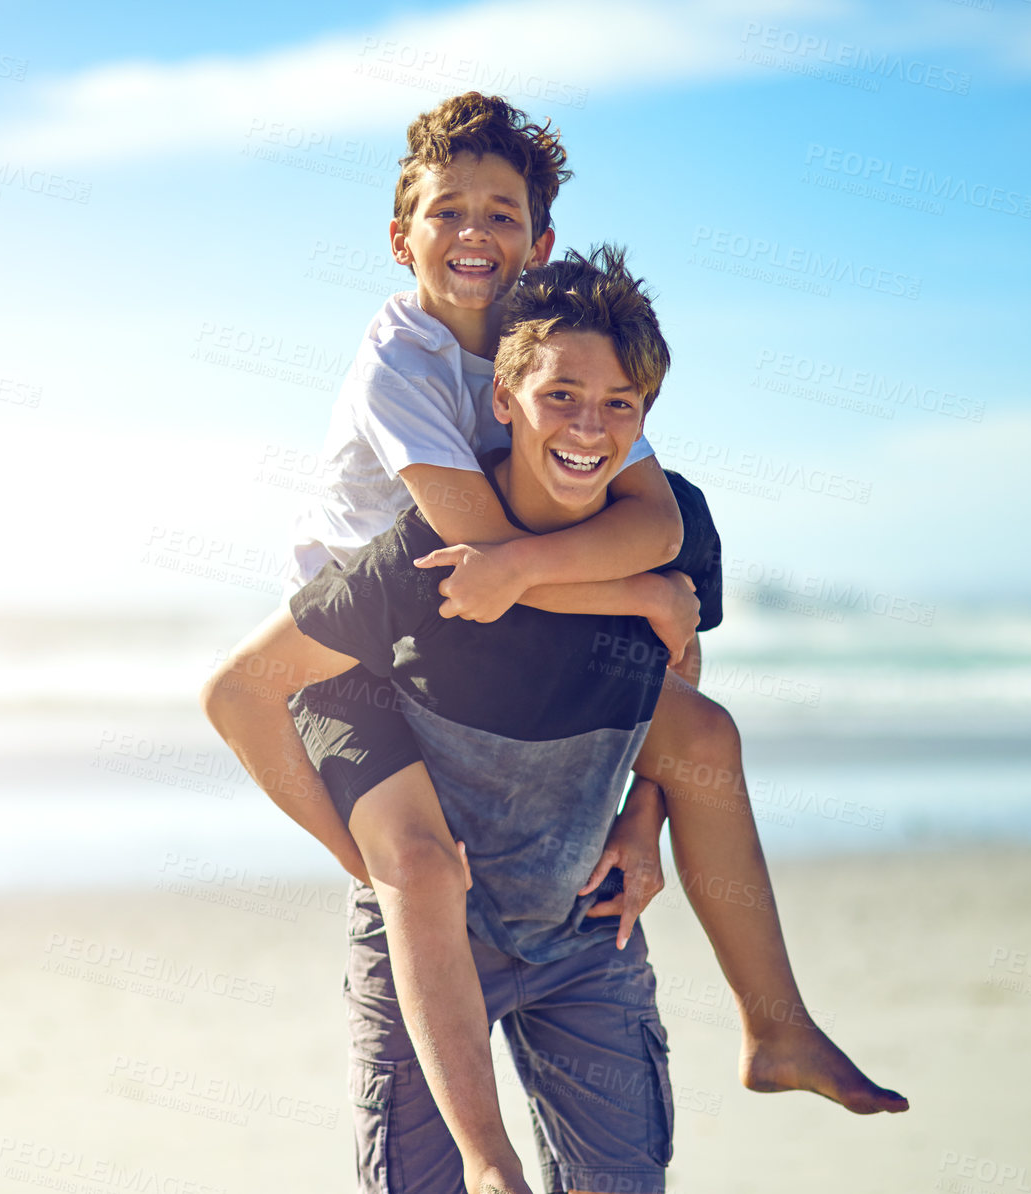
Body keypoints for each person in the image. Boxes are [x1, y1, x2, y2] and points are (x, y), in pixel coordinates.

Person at [204, 247, 899, 1194]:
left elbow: (679, 677)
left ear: (646, 420)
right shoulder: (427, 556)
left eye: (618, 404)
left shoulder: (675, 526)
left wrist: (642, 823)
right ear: (502, 400)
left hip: (582, 925)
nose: (588, 425)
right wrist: (356, 858)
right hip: (428, 936)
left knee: (708, 733)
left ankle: (775, 1026)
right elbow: (238, 691)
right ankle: (490, 1162)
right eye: (560, 395)